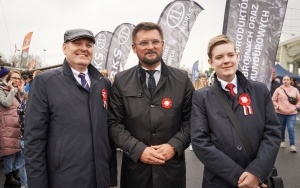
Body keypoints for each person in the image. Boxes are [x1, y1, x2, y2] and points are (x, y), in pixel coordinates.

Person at [24, 29, 117, 188]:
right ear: (64, 48)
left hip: (100, 179)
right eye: (77, 43)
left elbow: (108, 135)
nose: (84, 48)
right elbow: (34, 140)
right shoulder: (45, 83)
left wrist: (111, 178)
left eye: (88, 45)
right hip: (64, 180)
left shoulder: (104, 84)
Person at [108, 22, 194, 188]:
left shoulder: (182, 80)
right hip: (135, 174)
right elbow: (113, 124)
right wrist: (138, 150)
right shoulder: (121, 81)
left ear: (162, 44)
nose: (150, 47)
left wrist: (173, 146)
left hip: (171, 172)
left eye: (155, 42)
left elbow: (192, 121)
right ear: (134, 47)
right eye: (143, 43)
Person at [190, 34, 281, 187]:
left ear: (237, 57)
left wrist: (256, 172)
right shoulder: (201, 97)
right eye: (219, 57)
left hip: (258, 179)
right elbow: (200, 142)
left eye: (230, 55)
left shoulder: (259, 90)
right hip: (219, 181)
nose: (226, 60)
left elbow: (272, 132)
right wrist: (240, 178)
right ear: (211, 62)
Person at [0, 69, 25, 188]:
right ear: (8, 78)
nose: (16, 80)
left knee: (18, 152)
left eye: (18, 78)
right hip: (7, 127)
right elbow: (6, 103)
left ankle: (14, 176)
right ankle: (9, 178)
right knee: (9, 153)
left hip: (18, 126)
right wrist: (13, 90)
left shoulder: (17, 90)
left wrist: (21, 91)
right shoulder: (1, 89)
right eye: (14, 77)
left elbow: (23, 106)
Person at [272, 75, 300, 153]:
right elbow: (273, 99)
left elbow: (299, 99)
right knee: (281, 128)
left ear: (290, 81)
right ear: (282, 81)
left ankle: (292, 145)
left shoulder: (295, 90)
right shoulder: (278, 89)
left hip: (292, 113)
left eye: (287, 80)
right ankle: (282, 141)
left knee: (290, 128)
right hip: (280, 112)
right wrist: (277, 106)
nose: (286, 81)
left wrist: (296, 107)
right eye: (284, 80)